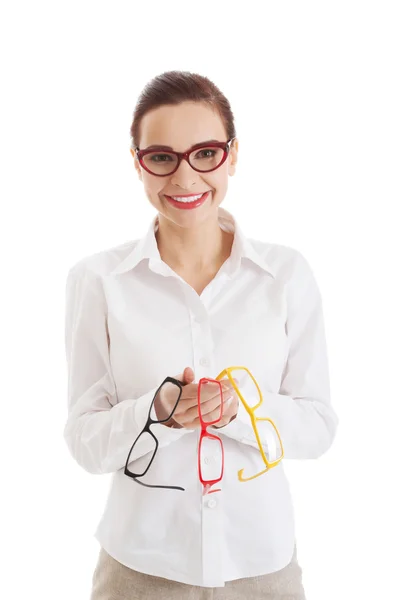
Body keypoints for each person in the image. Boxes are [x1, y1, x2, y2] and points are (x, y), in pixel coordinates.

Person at [64, 70, 338, 600]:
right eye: (162, 157)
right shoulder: (97, 281)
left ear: (232, 156)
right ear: (138, 164)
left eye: (205, 153)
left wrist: (240, 411)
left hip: (263, 568)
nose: (186, 178)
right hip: (138, 570)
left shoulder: (286, 276)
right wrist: (157, 412)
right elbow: (84, 442)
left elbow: (319, 426)